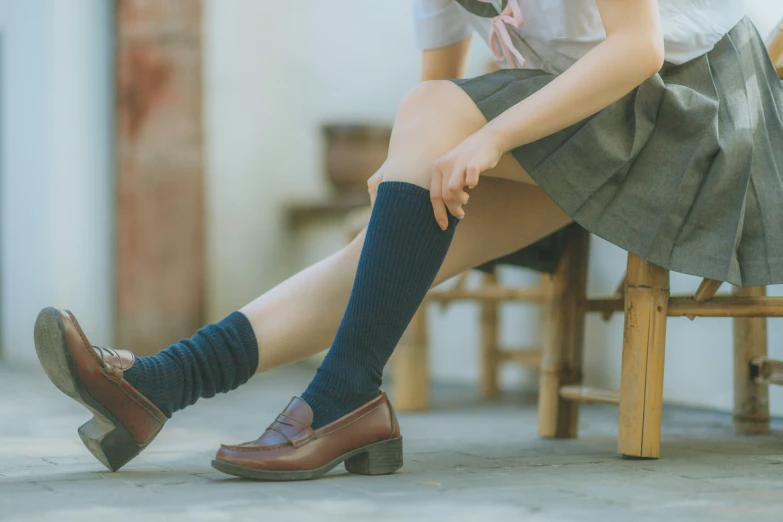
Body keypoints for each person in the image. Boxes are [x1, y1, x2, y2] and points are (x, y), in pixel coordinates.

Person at [33, 0, 783, 481]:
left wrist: (486, 140)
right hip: (596, 125)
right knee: (380, 249)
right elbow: (437, 85)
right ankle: (165, 386)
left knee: (429, 124)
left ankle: (342, 398)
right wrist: (405, 176)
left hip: (696, 114)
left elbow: (638, 50)